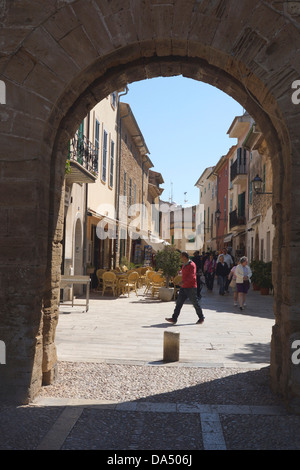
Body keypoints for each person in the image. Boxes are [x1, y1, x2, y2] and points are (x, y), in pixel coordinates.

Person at [165, 251, 205, 325]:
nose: (180, 258)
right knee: (179, 303)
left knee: (195, 303)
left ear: (185, 257)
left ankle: (201, 317)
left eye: (181, 256)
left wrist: (183, 282)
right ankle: (174, 318)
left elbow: (192, 277)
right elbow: (183, 273)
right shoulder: (184, 265)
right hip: (184, 287)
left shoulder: (192, 265)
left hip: (191, 287)